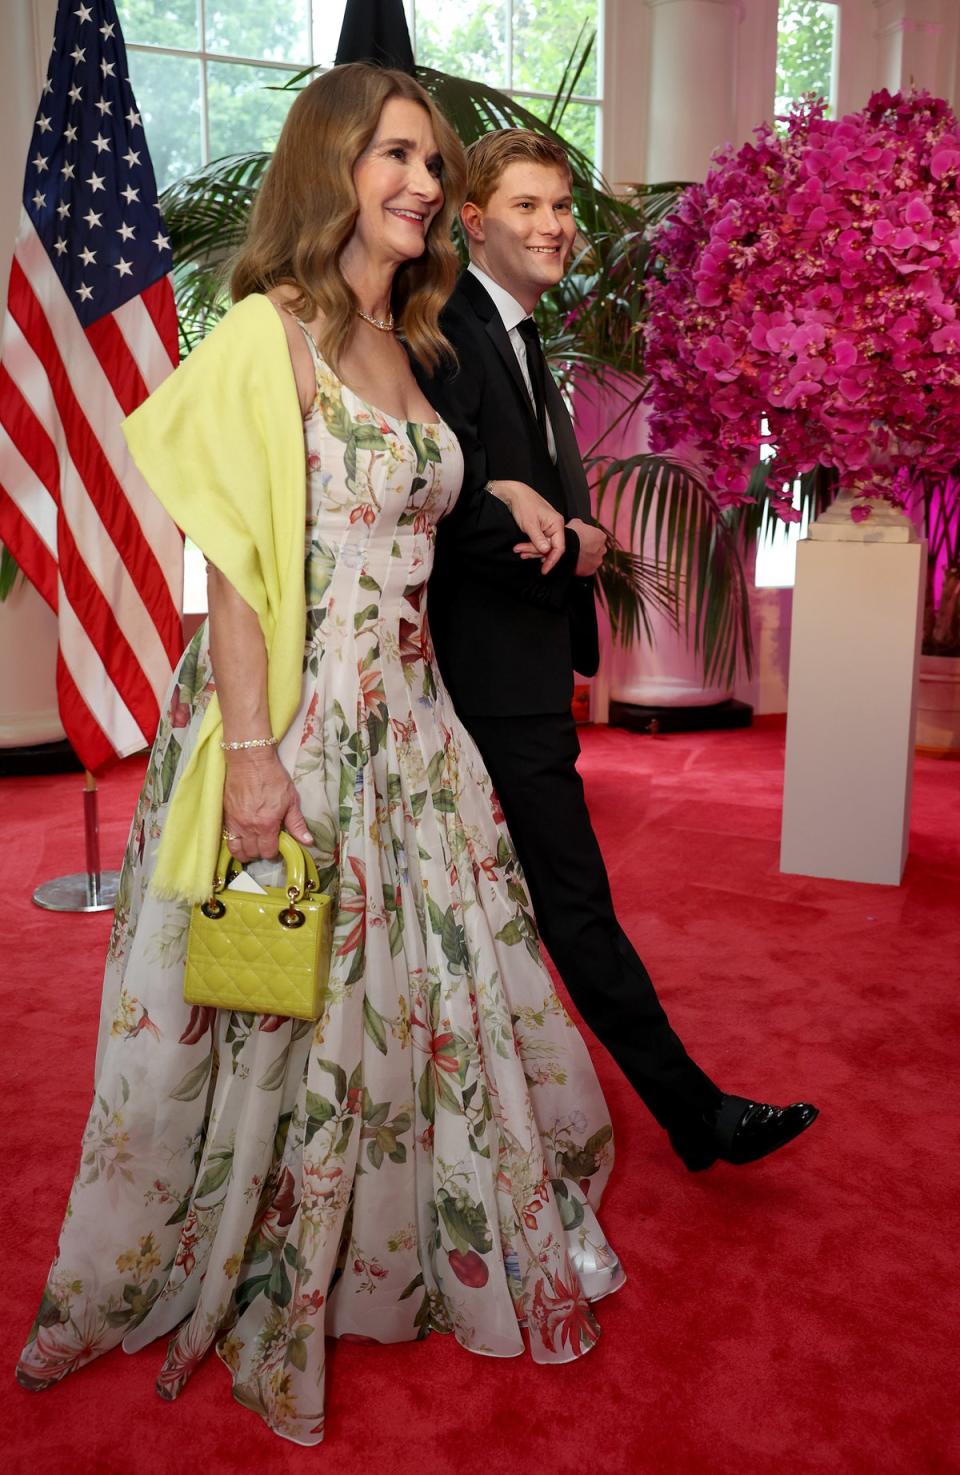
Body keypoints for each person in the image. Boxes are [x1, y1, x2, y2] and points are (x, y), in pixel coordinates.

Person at [15, 70, 625, 1447]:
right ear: (331, 164)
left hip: (413, 722)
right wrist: (249, 755)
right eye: (395, 154)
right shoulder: (265, 331)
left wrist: (512, 486)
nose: (421, 180)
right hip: (296, 713)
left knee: (422, 981)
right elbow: (239, 563)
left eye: (432, 159)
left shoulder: (405, 340)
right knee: (285, 989)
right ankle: (258, 1237)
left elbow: (423, 491)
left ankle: (395, 1231)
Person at [416, 129, 819, 1172]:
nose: (553, 225)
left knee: (517, 900)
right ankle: (696, 1112)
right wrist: (578, 543)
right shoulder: (448, 334)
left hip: (523, 667)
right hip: (486, 676)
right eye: (526, 207)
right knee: (570, 899)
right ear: (470, 220)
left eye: (561, 206)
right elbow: (454, 514)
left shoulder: (521, 331)